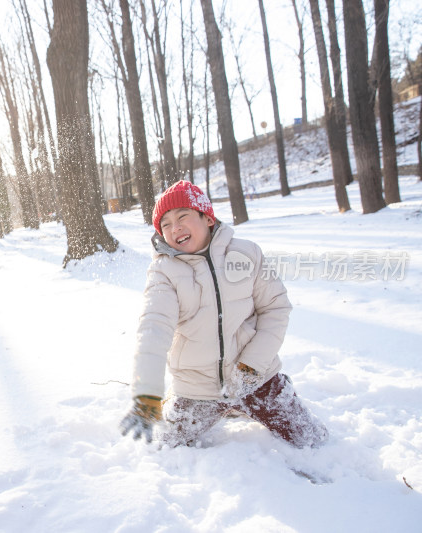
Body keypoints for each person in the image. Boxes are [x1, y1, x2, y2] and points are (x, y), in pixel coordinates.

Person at [120, 181, 327, 448]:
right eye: (166, 224)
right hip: (197, 388)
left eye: (183, 216)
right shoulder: (164, 271)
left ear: (207, 217)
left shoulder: (246, 253)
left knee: (312, 440)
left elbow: (275, 308)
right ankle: (190, 403)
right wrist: (147, 389)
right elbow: (154, 326)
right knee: (165, 447)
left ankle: (247, 402)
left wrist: (253, 364)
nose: (175, 228)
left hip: (256, 377)